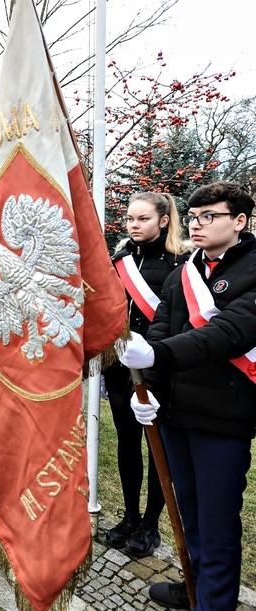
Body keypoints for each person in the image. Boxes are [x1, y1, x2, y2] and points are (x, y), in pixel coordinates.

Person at [119, 181, 256, 610]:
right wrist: (151, 392)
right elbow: (162, 324)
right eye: (194, 216)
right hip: (176, 413)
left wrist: (156, 353)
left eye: (209, 216)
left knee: (216, 523)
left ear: (239, 221)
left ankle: (213, 603)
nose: (197, 224)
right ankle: (196, 586)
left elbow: (227, 334)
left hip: (223, 416)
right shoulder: (185, 271)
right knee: (190, 514)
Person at [103, 192, 189, 558]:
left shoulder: (182, 261)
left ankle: (151, 524)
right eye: (130, 220)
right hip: (121, 363)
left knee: (157, 447)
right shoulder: (120, 259)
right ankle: (131, 516)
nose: (134, 226)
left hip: (162, 365)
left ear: (164, 220)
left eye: (142, 219)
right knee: (127, 442)